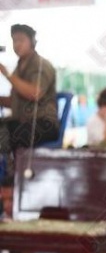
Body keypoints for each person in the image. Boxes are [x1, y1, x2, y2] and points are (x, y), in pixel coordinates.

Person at [0, 24, 58, 182]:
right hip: (22, 122)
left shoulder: (41, 65)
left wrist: (6, 74)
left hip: (44, 124)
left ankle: (13, 179)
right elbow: (13, 102)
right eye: (14, 40)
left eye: (21, 40)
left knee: (6, 135)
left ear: (32, 41)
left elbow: (35, 93)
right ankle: (10, 177)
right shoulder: (20, 67)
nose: (16, 44)